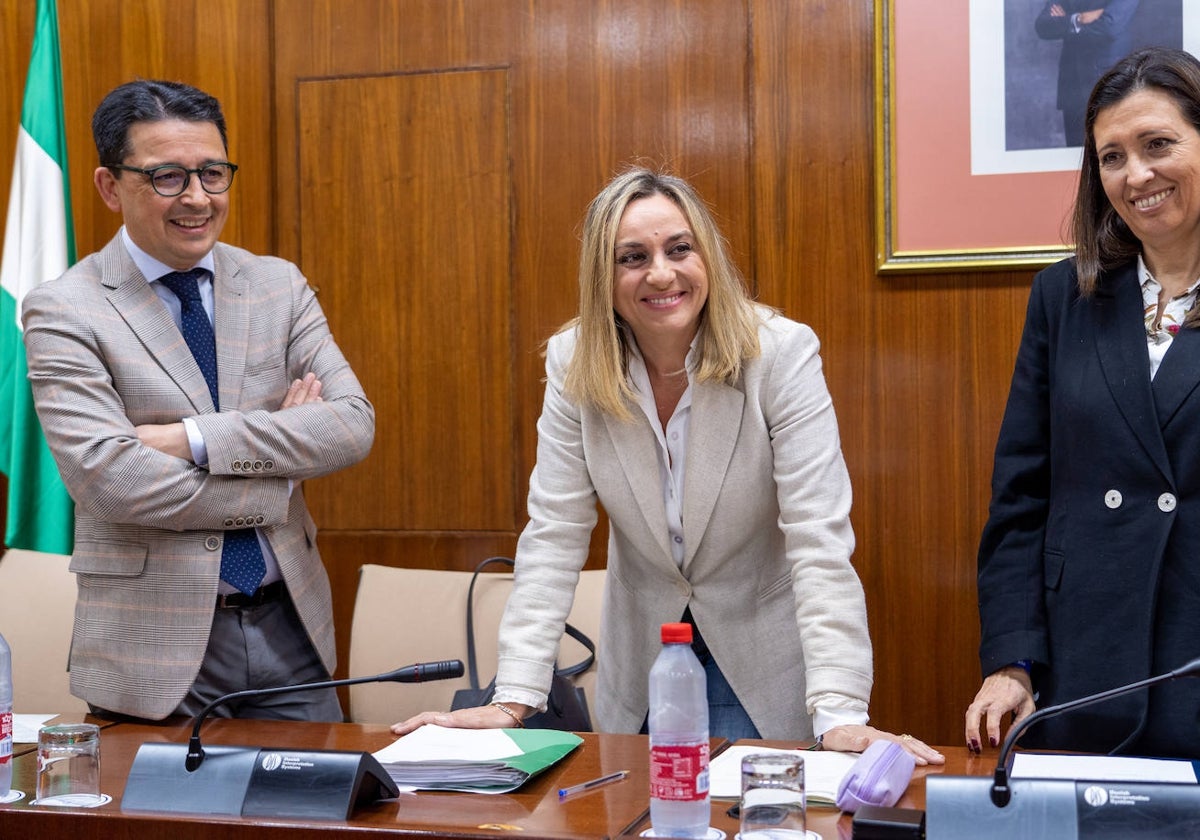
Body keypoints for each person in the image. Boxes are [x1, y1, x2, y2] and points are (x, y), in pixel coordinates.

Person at [392, 167, 942, 764]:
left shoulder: (780, 353)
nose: (660, 273)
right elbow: (555, 532)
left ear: (706, 256)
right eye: (633, 256)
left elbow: (819, 539)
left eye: (679, 249)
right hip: (646, 660)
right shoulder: (574, 361)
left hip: (762, 655)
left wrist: (839, 710)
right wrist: (515, 696)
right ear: (603, 278)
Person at [21, 79, 375, 722]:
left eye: (213, 173)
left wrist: (191, 438)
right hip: (150, 653)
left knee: (317, 817)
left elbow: (352, 426)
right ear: (110, 186)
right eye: (166, 177)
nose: (197, 198)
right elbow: (110, 480)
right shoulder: (64, 308)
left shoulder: (277, 285)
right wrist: (277, 476)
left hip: (291, 632)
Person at [966, 47, 1200, 757]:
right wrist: (1012, 659)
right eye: (1112, 157)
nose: (1137, 176)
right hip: (1084, 676)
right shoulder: (1062, 298)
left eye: (1159, 145)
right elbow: (1021, 501)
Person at [1035, 1, 1139, 147]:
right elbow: (1043, 26)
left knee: (1109, 153)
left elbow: (1109, 26)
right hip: (1072, 84)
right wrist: (1078, 19)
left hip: (1109, 84)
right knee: (1074, 155)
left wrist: (1066, 23)